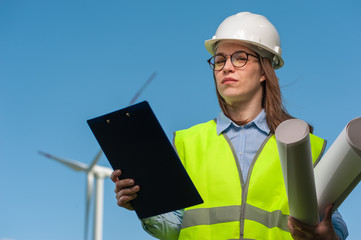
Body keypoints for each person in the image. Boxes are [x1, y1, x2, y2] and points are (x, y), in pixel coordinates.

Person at [111, 12, 348, 240]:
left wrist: (330, 236)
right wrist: (142, 204)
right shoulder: (187, 142)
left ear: (264, 70)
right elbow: (177, 229)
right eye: (220, 59)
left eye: (240, 58)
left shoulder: (301, 145)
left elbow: (332, 221)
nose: (226, 67)